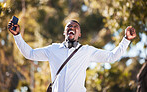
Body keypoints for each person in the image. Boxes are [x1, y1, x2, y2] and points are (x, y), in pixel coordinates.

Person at [8, 19, 136, 92]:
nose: (72, 28)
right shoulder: (53, 49)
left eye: (75, 27)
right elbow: (30, 54)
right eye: (69, 26)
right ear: (65, 32)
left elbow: (112, 57)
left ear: (79, 33)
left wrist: (126, 39)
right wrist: (17, 35)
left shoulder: (87, 51)